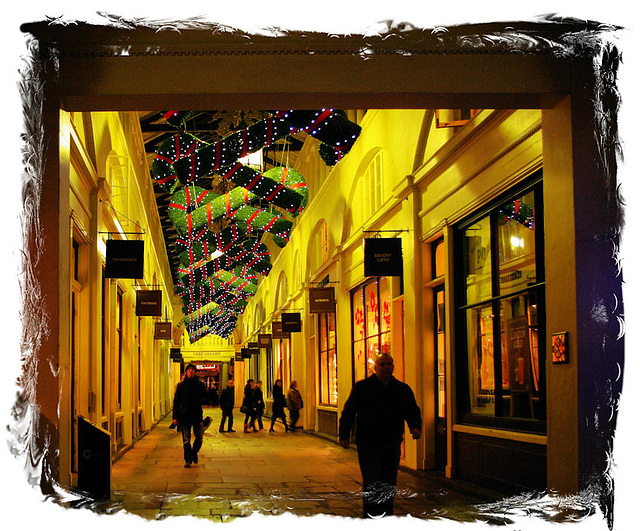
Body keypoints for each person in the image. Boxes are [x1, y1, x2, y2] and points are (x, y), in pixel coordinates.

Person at [338, 353, 422, 518]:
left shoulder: (402, 389)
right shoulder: (362, 387)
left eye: (388, 364)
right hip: (368, 443)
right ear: (375, 367)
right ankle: (370, 514)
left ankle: (386, 513)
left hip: (391, 441)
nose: (385, 368)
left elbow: (412, 409)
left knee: (389, 479)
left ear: (393, 367)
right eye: (382, 364)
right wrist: (344, 435)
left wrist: (415, 427)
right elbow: (349, 411)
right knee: (372, 478)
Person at [172, 363, 208, 468]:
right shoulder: (181, 386)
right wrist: (175, 417)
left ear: (195, 372)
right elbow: (176, 402)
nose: (191, 371)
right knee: (186, 440)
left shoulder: (200, 385)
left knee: (199, 438)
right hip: (185, 416)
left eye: (193, 369)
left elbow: (206, 397)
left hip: (197, 415)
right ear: (186, 372)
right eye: (189, 370)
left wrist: (199, 401)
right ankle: (188, 460)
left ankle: (193, 452)